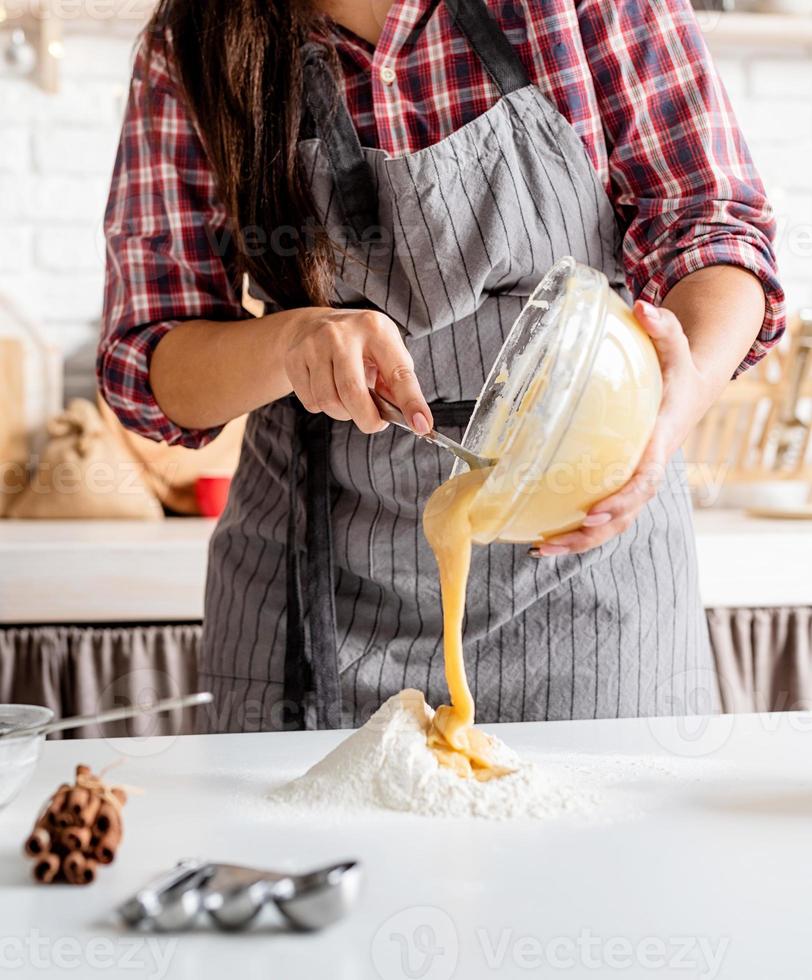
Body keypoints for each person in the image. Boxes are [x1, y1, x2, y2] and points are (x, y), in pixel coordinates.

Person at [99, 0, 783, 734]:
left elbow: (709, 225)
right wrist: (290, 341)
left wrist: (682, 391)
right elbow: (152, 356)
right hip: (311, 602)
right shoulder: (194, 43)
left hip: (590, 586)